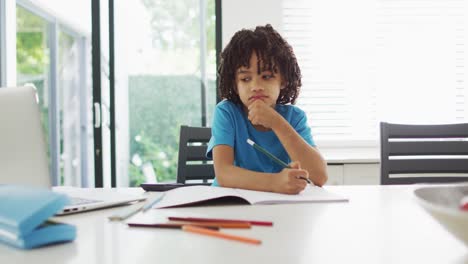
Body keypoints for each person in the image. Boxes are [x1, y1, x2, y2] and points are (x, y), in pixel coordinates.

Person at [206, 24, 327, 194]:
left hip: (275, 207)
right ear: (235, 83)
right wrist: (275, 182)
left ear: (283, 80)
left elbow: (319, 176)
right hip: (231, 203)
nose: (256, 86)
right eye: (246, 78)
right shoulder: (226, 113)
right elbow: (224, 173)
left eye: (267, 76)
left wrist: (277, 123)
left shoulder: (295, 117)